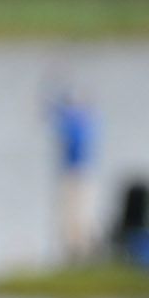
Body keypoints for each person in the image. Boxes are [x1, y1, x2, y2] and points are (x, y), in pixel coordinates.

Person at [48, 89, 99, 261]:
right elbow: (52, 109)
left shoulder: (77, 123)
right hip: (78, 173)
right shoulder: (83, 121)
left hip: (77, 173)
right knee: (74, 215)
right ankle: (74, 252)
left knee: (78, 215)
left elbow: (53, 111)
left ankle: (79, 252)